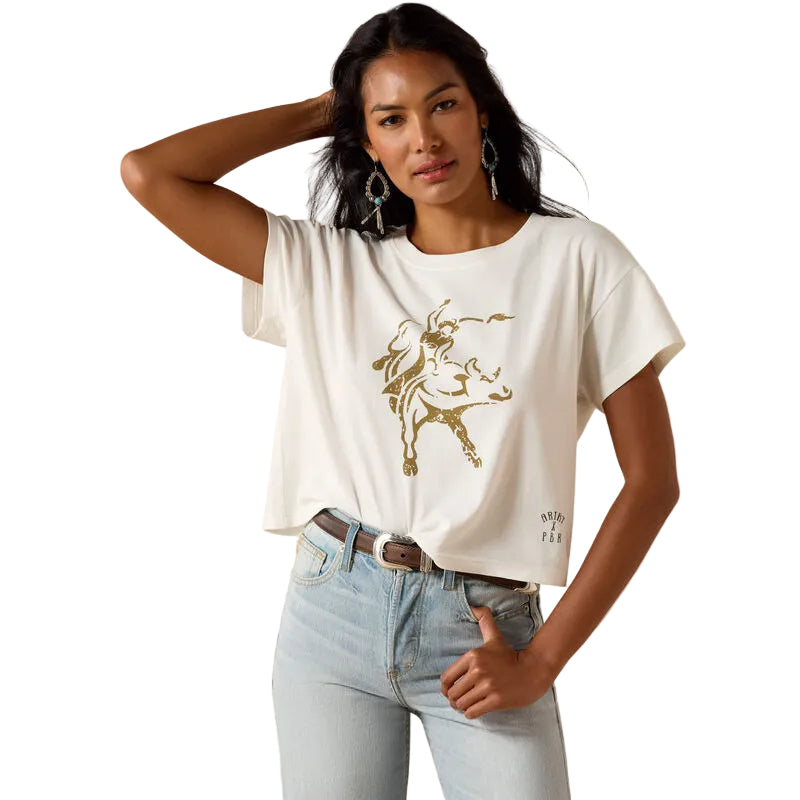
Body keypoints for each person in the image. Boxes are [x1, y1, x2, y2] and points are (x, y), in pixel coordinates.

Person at [120, 4, 685, 798]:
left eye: (442, 104)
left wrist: (542, 660)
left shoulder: (579, 261)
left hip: (482, 628)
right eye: (391, 119)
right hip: (333, 609)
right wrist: (329, 107)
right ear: (364, 140)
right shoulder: (329, 265)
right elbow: (150, 173)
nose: (424, 139)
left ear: (482, 108)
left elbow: (652, 482)